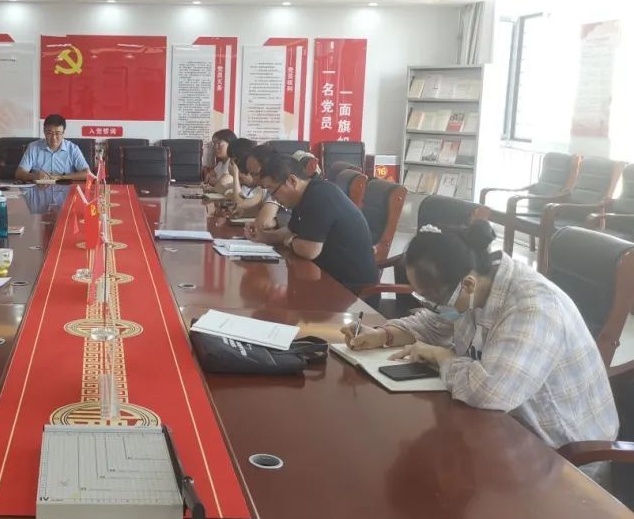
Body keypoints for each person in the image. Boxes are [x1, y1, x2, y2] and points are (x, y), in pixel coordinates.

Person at [341, 221, 619, 449]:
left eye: (432, 299)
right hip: (505, 428)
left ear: (467, 284)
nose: (431, 307)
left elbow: (489, 392)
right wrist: (383, 335)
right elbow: (435, 323)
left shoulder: (533, 308)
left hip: (564, 453)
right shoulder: (477, 284)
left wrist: (442, 356)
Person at [247, 152, 379, 293]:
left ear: (292, 181)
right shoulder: (305, 194)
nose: (273, 198)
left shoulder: (320, 196)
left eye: (273, 190)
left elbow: (309, 250)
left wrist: (289, 240)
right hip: (326, 278)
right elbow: (289, 231)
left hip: (351, 289)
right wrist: (263, 236)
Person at [16, 114, 90, 182]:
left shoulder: (73, 149)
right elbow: (19, 173)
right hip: (39, 190)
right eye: (50, 133)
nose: (54, 137)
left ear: (63, 133)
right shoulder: (33, 147)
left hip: (64, 190)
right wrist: (34, 176)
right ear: (44, 131)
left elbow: (87, 174)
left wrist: (61, 177)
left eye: (57, 133)